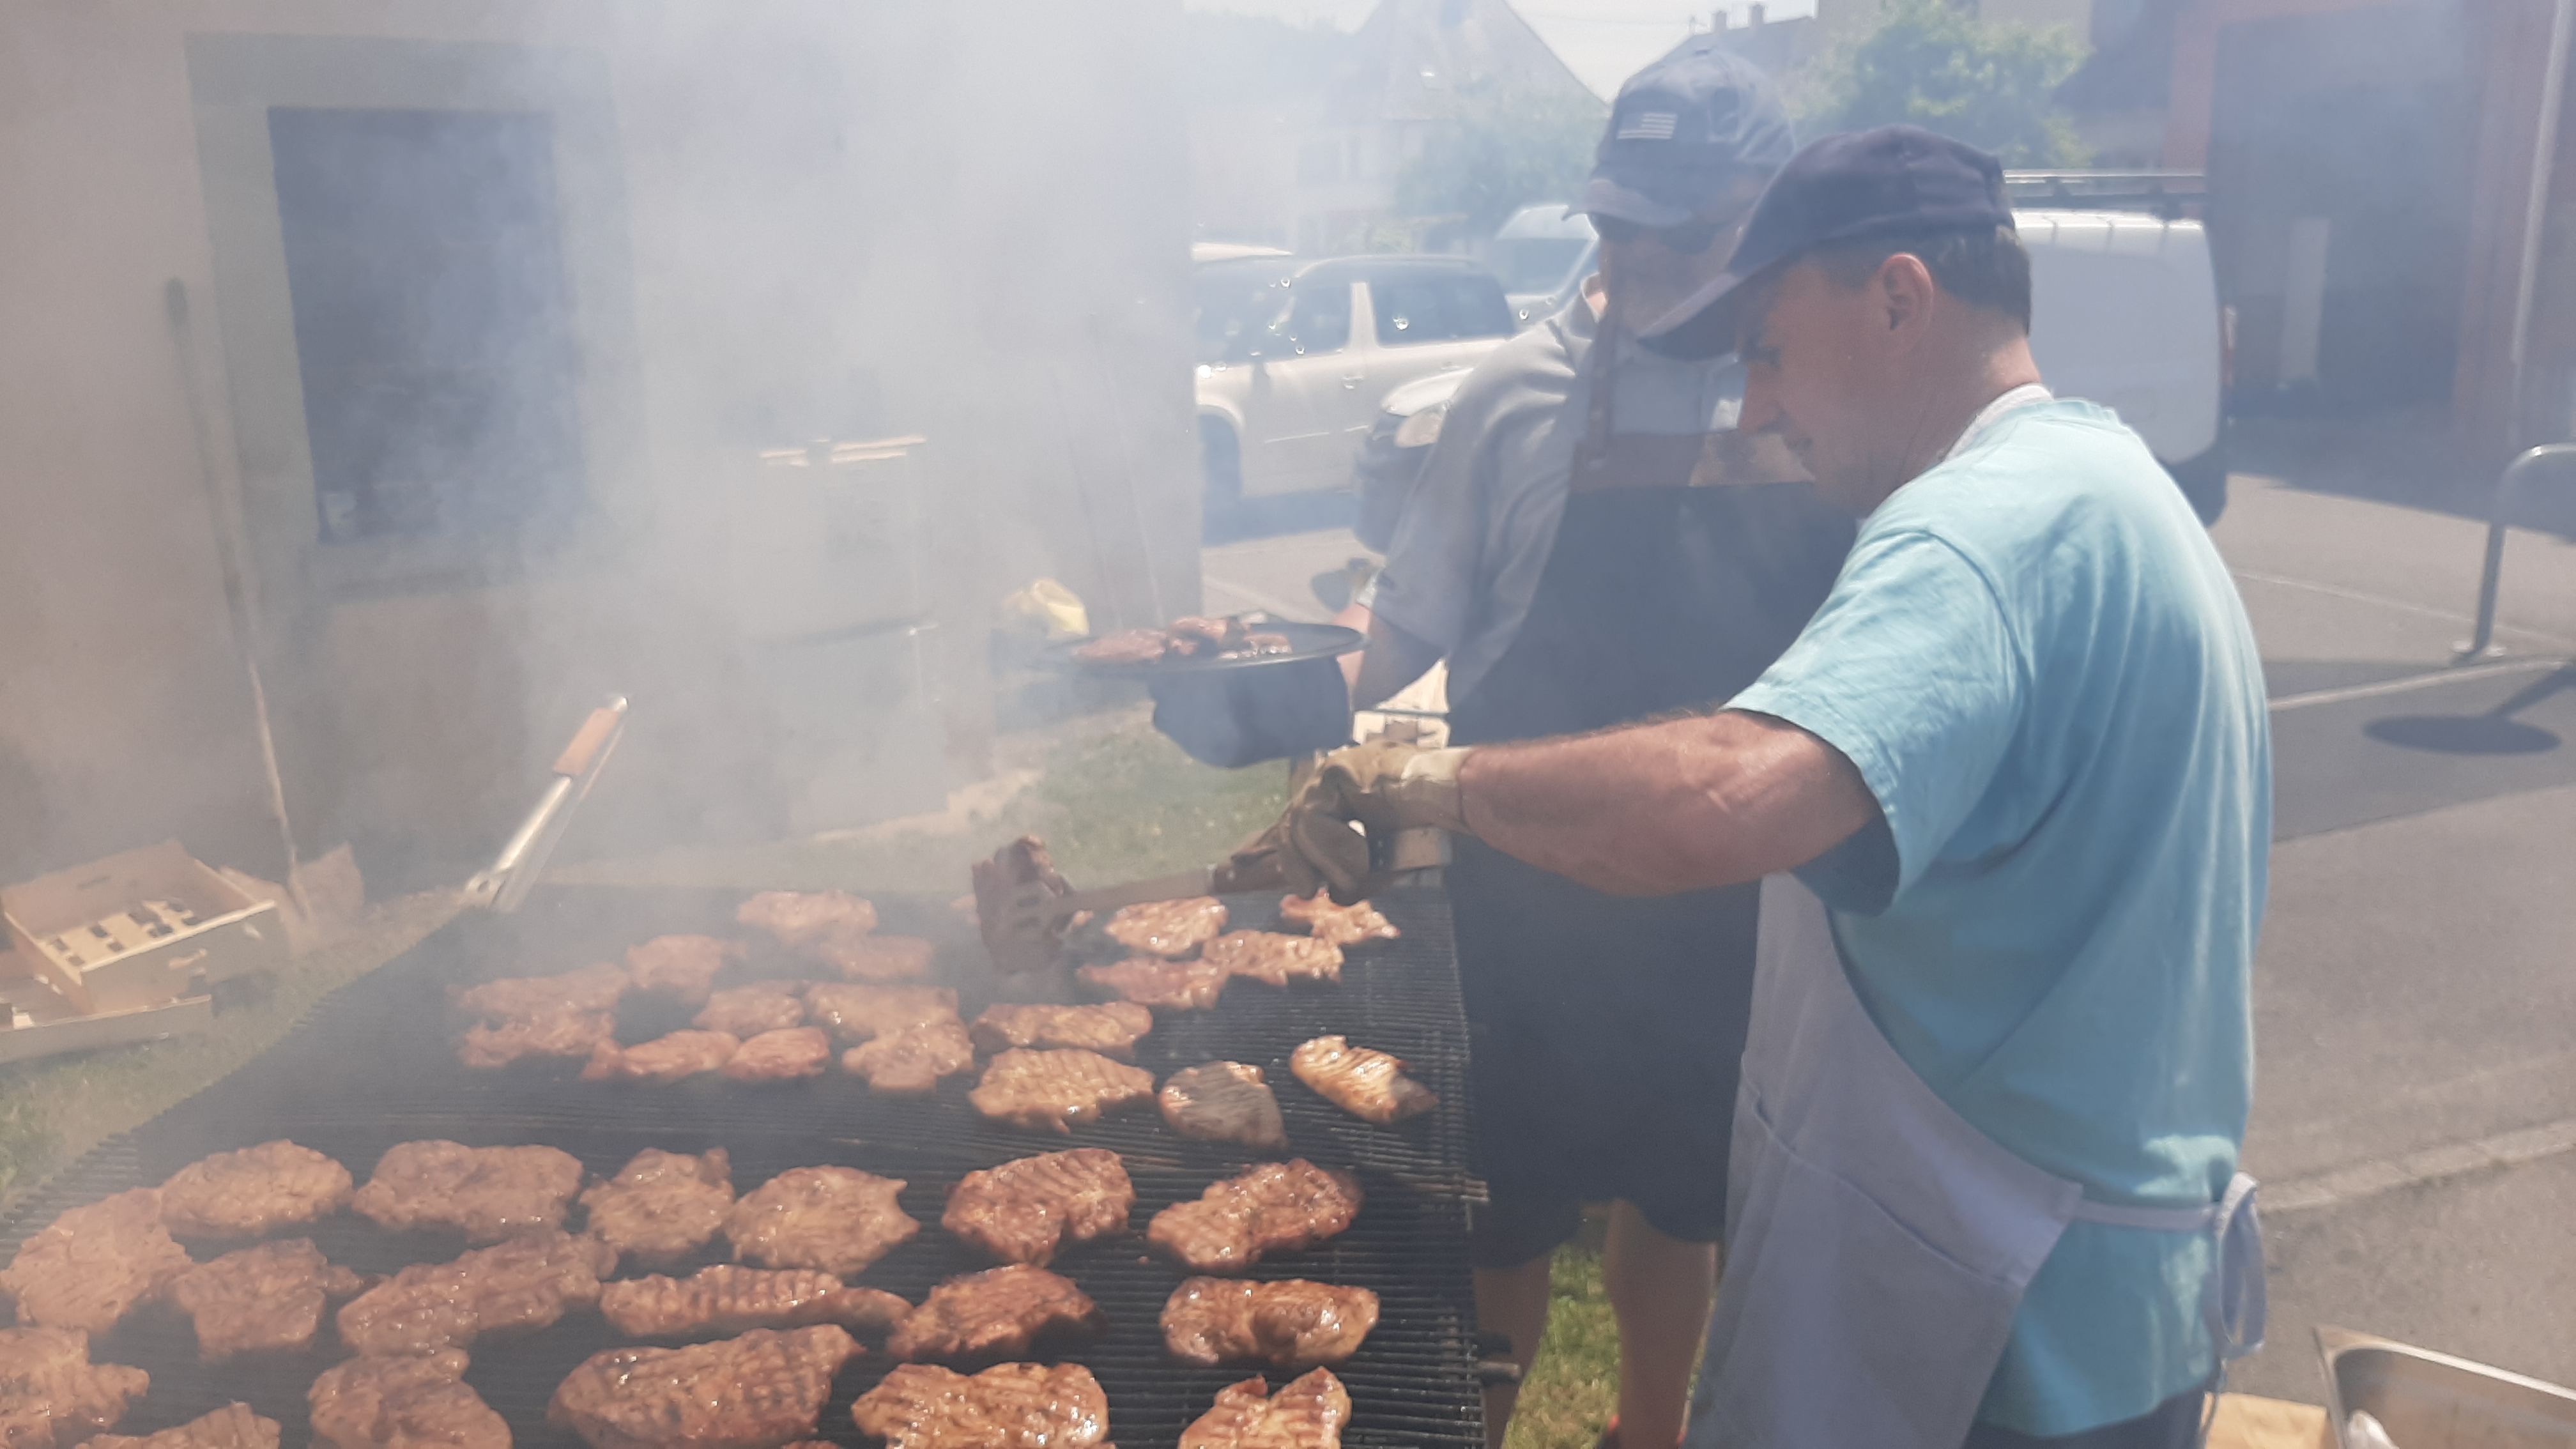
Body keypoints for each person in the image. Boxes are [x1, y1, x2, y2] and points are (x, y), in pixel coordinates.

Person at [1252, 126, 2271, 1449]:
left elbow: (1732, 799)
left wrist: (1415, 782)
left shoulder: (1977, 534)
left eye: (1773, 350)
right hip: (2106, 1308)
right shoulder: (2113, 491)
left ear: (1900, 297)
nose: (1759, 407)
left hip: (2002, 1340)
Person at [1153, 42, 1853, 1449]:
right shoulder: (1515, 396)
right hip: (1523, 888)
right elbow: (1409, 615)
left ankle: (1648, 1434)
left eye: (1679, 227)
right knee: (1505, 1204)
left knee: (1680, 1198)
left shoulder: (1815, 390)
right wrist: (1280, 700)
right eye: (1616, 221)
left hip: (1732, 898)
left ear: (1762, 212)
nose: (1635, 254)